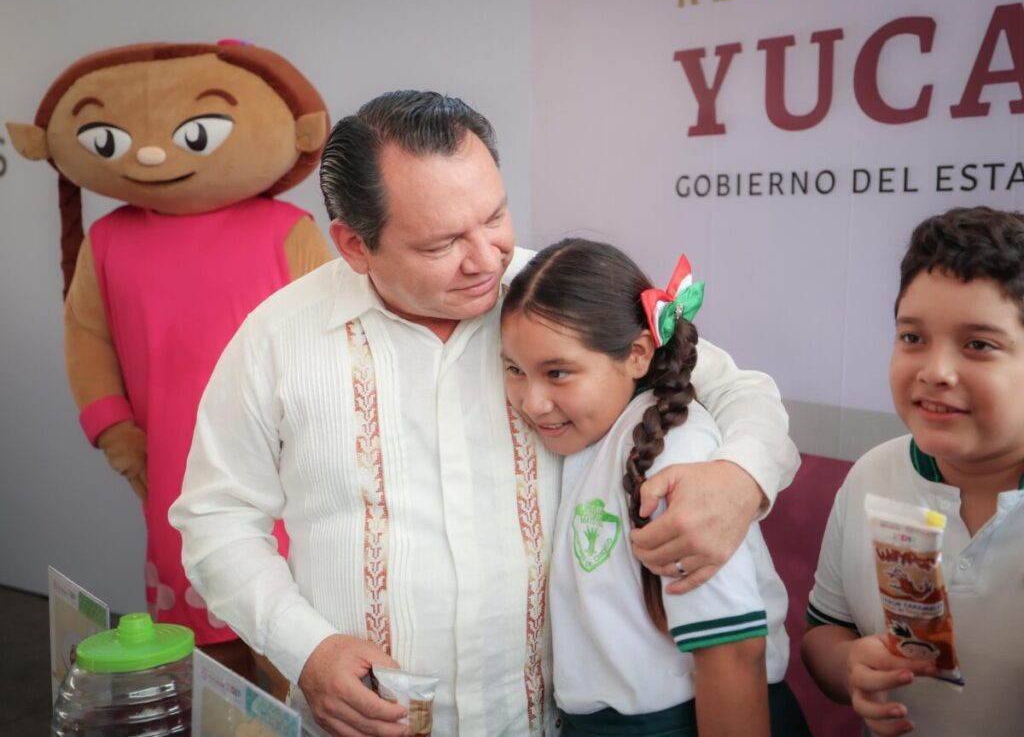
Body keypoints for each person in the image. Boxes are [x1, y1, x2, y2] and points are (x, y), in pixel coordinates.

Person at [170, 90, 800, 737]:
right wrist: (307, 649)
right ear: (355, 245)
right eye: (442, 243)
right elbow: (216, 517)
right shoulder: (278, 338)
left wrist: (741, 478)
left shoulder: (552, 298)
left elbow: (738, 389)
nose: (487, 258)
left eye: (495, 215)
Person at [7, 41, 333, 689]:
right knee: (201, 617)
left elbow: (334, 341)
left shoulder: (288, 231)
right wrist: (113, 427)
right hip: (175, 461)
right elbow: (87, 339)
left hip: (292, 460)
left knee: (299, 620)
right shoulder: (108, 242)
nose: (152, 153)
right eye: (113, 139)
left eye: (194, 133)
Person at [500, 239, 810, 737]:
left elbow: (731, 654)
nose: (532, 402)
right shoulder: (596, 436)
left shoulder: (673, 452)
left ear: (638, 354)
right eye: (514, 370)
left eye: (558, 373)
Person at [801, 206, 1024, 736]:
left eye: (979, 345)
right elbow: (824, 633)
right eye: (912, 338)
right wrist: (850, 666)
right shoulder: (871, 476)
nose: (935, 371)